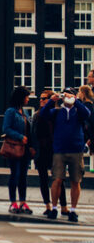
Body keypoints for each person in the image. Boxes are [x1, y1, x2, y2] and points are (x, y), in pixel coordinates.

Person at [40, 87, 90, 223]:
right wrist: (51, 101)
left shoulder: (78, 112)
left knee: (76, 180)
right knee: (57, 179)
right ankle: (55, 207)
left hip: (76, 150)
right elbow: (43, 115)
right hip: (59, 150)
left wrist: (77, 102)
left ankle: (73, 210)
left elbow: (87, 114)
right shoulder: (57, 112)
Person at [32, 91, 67, 217]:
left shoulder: (56, 113)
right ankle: (47, 205)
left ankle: (63, 205)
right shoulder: (37, 115)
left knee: (58, 179)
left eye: (44, 98)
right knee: (43, 179)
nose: (41, 100)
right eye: (40, 98)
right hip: (42, 150)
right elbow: (33, 132)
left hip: (54, 150)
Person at [3, 86, 34, 214]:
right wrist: (20, 137)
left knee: (23, 176)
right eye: (26, 97)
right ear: (21, 98)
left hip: (25, 149)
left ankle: (22, 201)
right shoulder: (11, 112)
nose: (28, 99)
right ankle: (13, 202)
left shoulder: (24, 112)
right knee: (14, 175)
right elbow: (6, 128)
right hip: (15, 147)